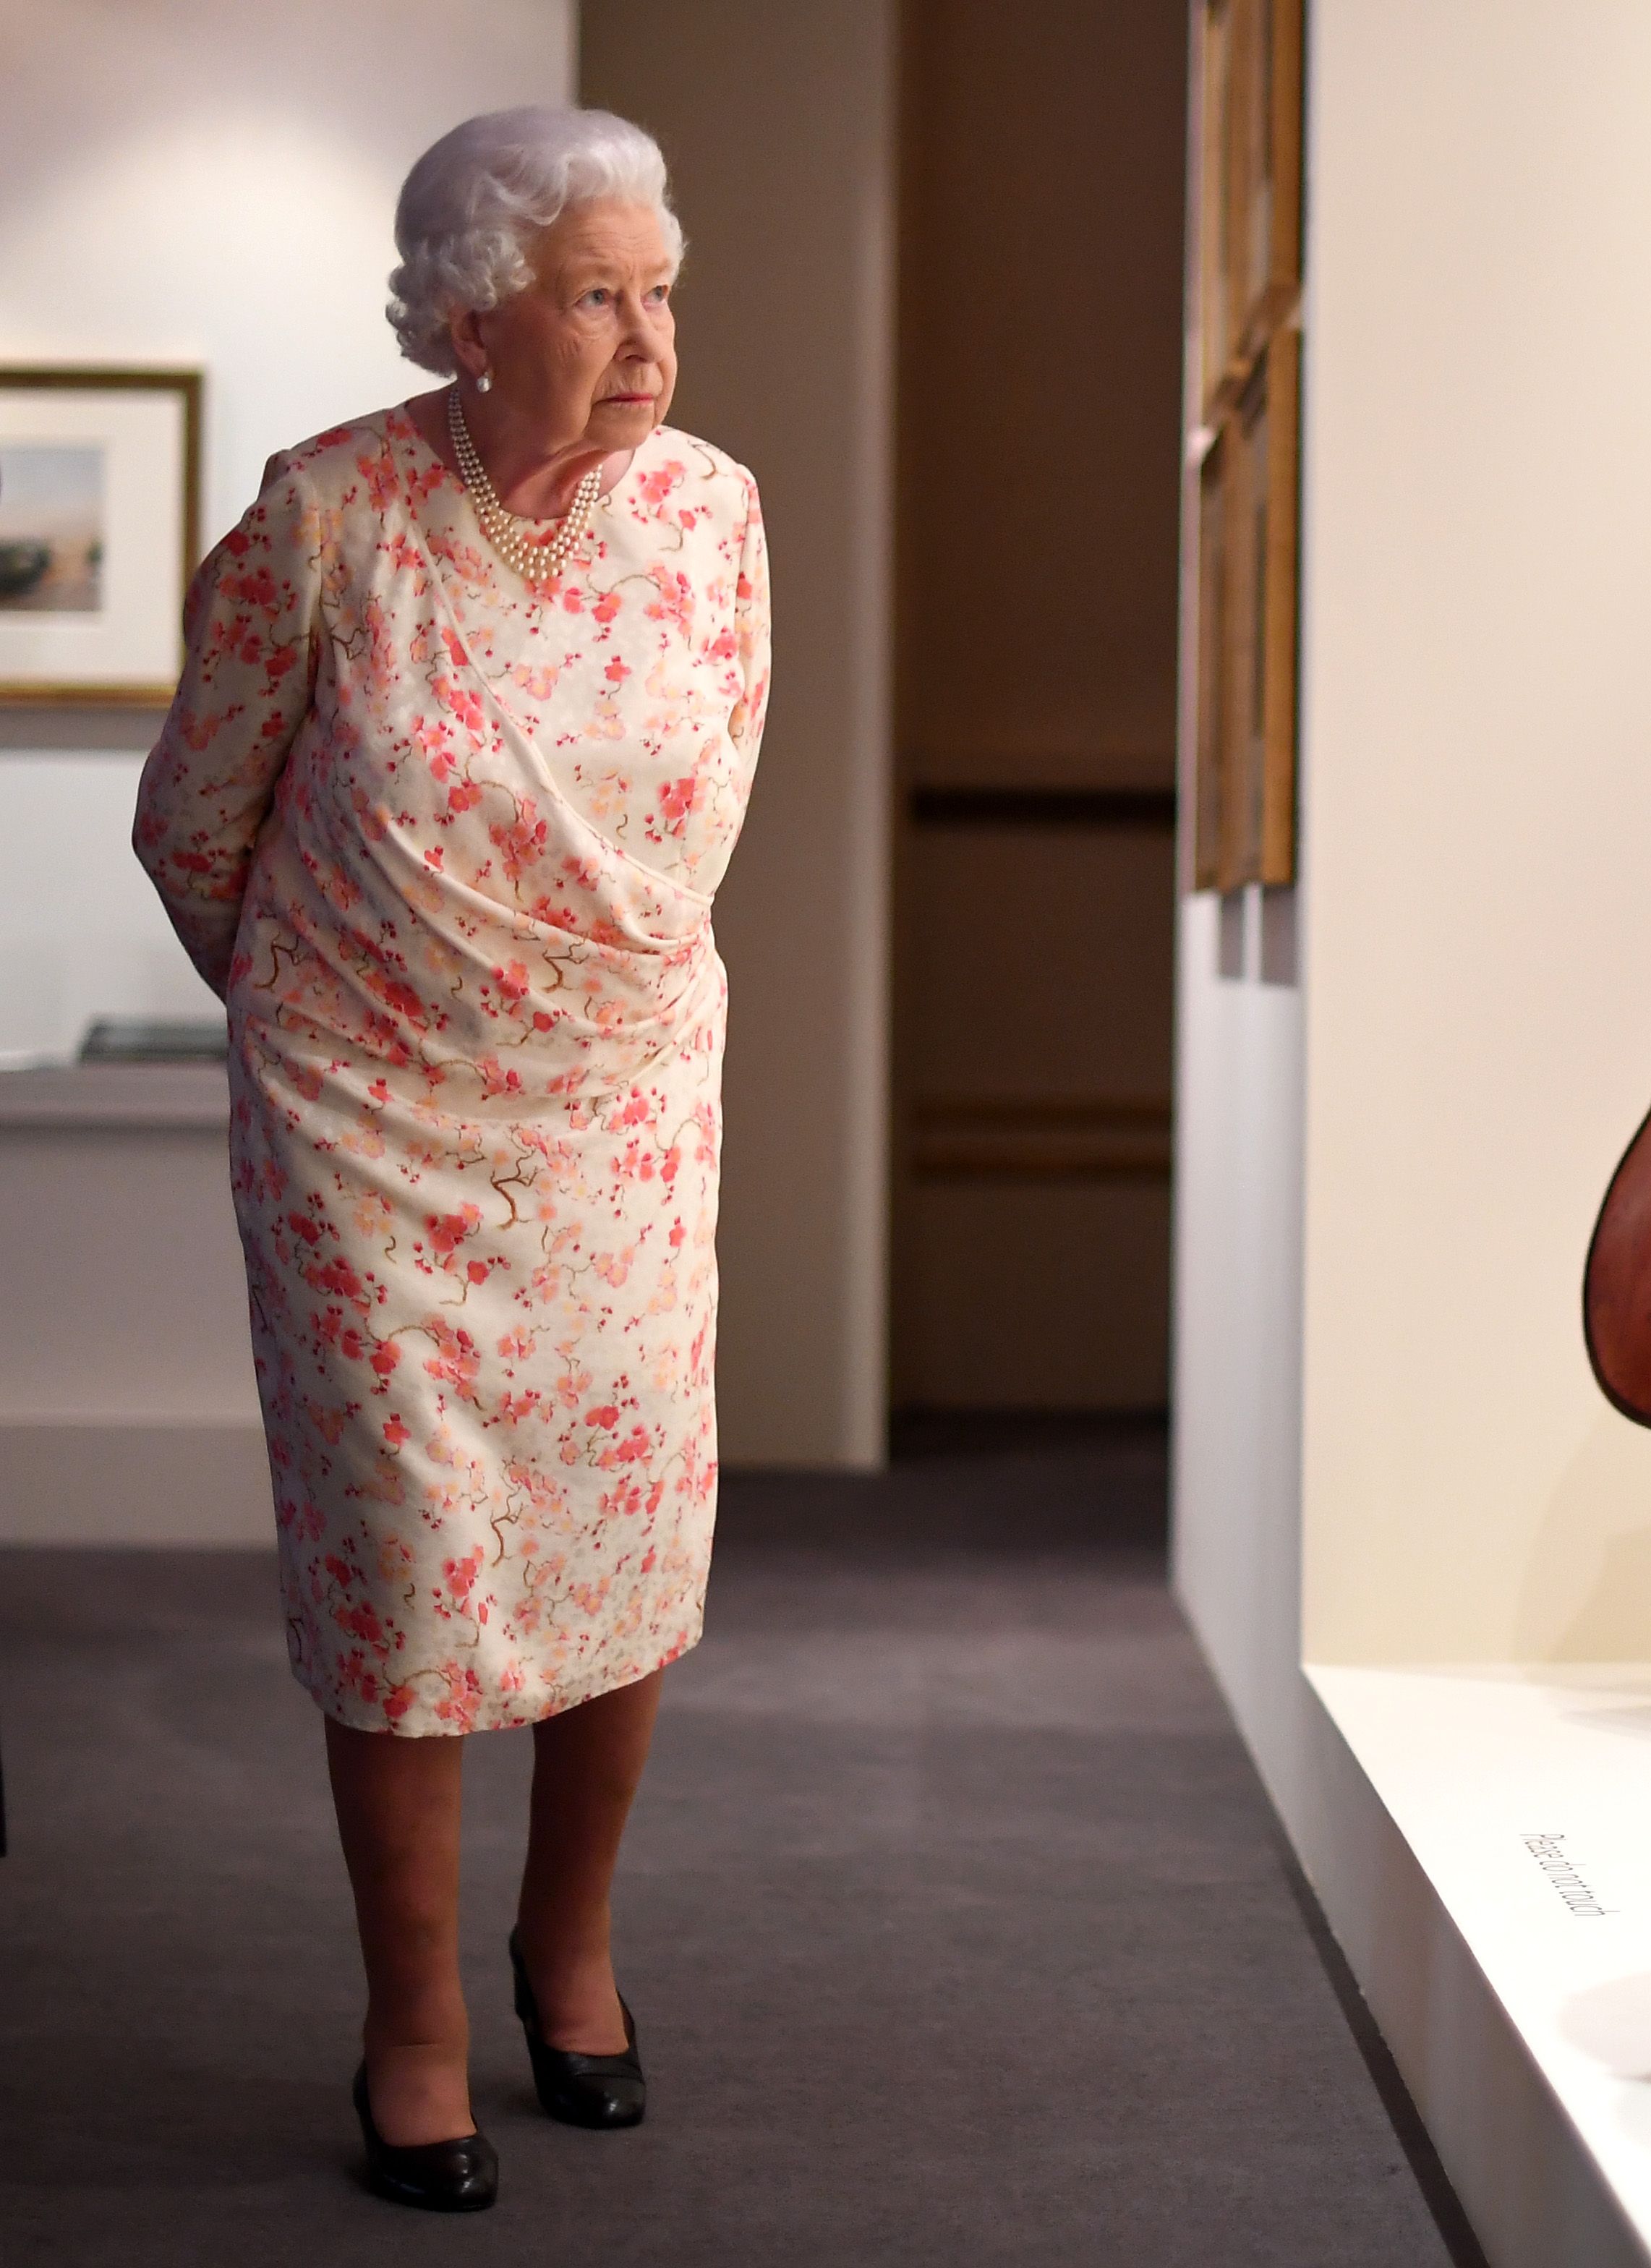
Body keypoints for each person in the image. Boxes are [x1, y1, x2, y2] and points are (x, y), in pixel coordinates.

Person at [132, 105, 766, 2213]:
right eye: (598, 298)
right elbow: (195, 823)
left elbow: (703, 818)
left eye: (661, 290)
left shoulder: (716, 516)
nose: (650, 337)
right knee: (405, 1566)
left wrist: (574, 1020)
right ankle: (410, 2026)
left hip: (622, 1124)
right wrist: (342, 1025)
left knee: (623, 1543)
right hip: (370, 1140)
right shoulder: (324, 515)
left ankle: (568, 1949)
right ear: (475, 320)